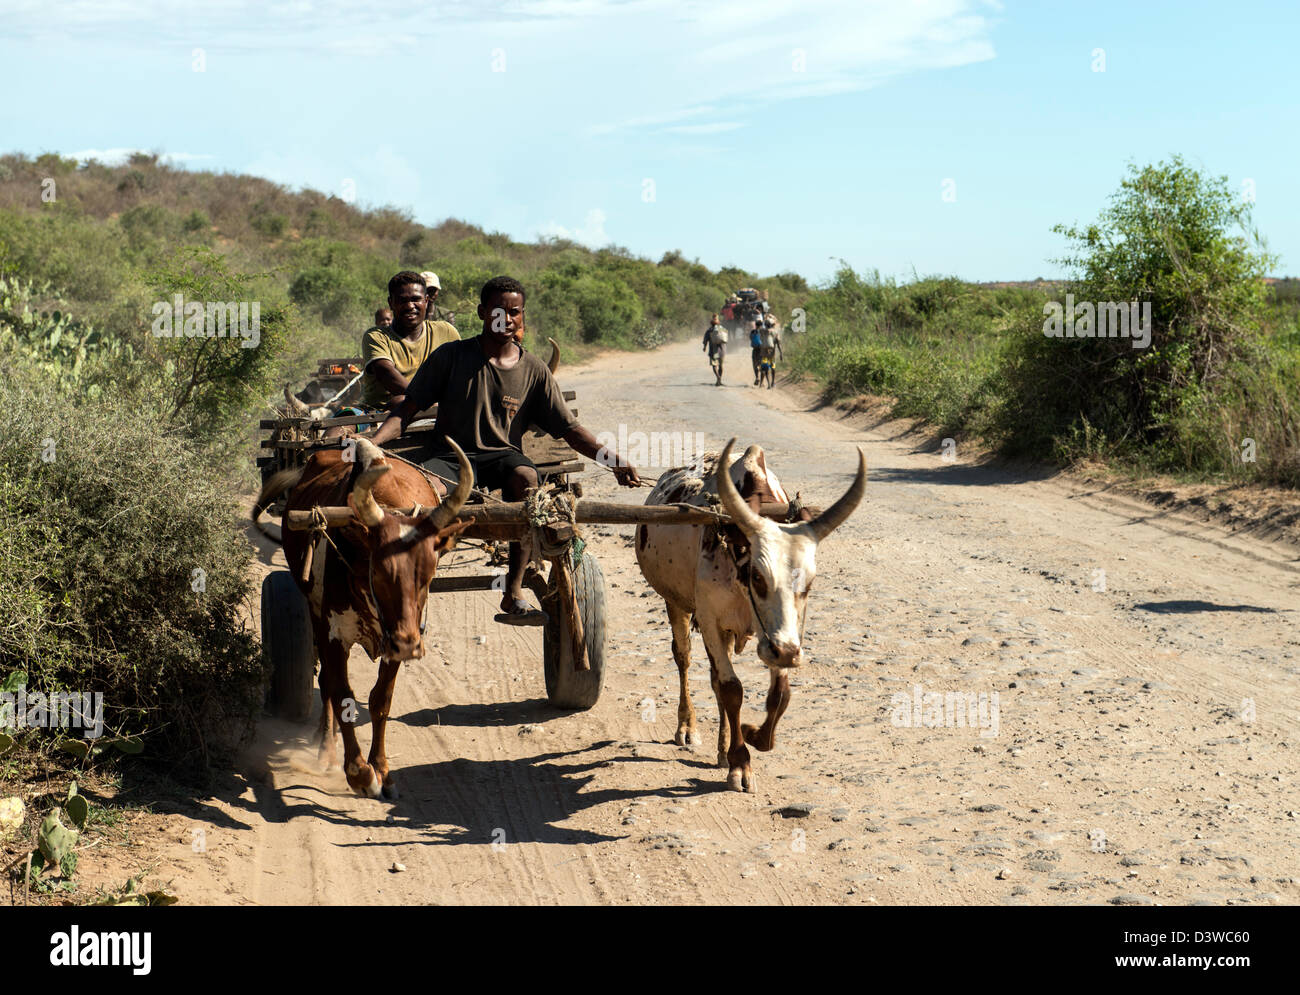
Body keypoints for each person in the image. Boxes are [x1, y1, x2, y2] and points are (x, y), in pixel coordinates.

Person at [370, 275, 641, 625]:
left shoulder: (534, 370)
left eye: (514, 312)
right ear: (484, 312)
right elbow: (406, 410)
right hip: (451, 456)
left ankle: (513, 590)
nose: (507, 319)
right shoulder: (451, 356)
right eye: (499, 311)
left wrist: (614, 461)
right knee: (423, 499)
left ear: (522, 316)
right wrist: (373, 443)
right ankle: (414, 588)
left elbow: (571, 431)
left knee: (527, 478)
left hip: (502, 457)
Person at [361, 271, 460, 411]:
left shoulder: (446, 331)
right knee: (399, 402)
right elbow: (386, 372)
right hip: (381, 411)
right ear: (391, 303)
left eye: (416, 299)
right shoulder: (377, 336)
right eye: (402, 300)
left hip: (436, 411)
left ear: (426, 300)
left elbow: (463, 369)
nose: (409, 306)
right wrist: (427, 403)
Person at [702, 313, 728, 386]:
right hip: (722, 350)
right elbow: (726, 339)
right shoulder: (722, 329)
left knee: (714, 365)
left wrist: (704, 347)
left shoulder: (709, 330)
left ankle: (718, 377)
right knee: (721, 365)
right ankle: (719, 380)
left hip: (714, 351)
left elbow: (705, 340)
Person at [750, 320, 764, 384]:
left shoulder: (752, 331)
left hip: (755, 350)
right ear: (761, 325)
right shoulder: (763, 332)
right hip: (762, 350)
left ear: (756, 325)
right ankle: (762, 382)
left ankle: (757, 377)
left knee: (755, 364)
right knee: (762, 365)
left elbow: (750, 338)